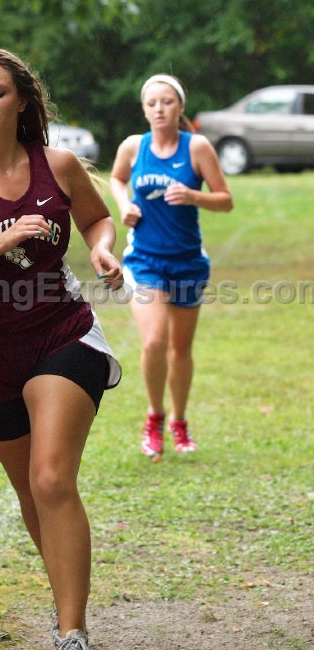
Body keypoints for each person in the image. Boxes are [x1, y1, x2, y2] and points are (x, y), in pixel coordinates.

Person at [0, 46, 123, 650]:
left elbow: (96, 219)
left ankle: (71, 632)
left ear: (21, 101)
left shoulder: (57, 165)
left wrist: (101, 249)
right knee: (31, 493)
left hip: (61, 333)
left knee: (52, 478)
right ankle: (65, 601)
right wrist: (3, 238)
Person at [110, 73, 233, 461]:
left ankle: (180, 421)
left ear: (180, 107)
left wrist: (194, 195)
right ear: (144, 109)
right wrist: (125, 205)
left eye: (167, 102)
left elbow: (225, 200)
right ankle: (154, 418)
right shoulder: (134, 146)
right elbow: (117, 178)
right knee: (153, 341)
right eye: (152, 103)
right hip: (144, 260)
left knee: (180, 350)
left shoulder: (196, 147)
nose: (159, 109)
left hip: (188, 262)